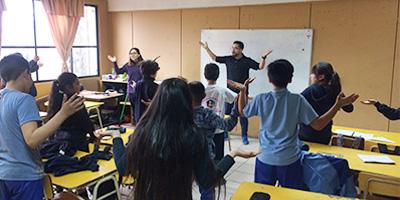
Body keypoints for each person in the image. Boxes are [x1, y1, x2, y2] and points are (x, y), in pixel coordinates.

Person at [102, 78, 259, 200]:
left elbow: (123, 167)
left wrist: (116, 137)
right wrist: (233, 154)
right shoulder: (194, 136)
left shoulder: (143, 131)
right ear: (187, 102)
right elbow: (207, 180)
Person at [238, 59, 359, 190]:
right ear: (290, 79)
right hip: (290, 160)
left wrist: (242, 91)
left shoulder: (261, 98)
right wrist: (337, 106)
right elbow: (318, 125)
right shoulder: (297, 100)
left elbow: (243, 112)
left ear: (269, 79)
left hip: (265, 158)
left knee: (262, 194)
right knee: (292, 195)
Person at [0, 53, 84, 199]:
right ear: (26, 74)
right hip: (24, 175)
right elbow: (32, 139)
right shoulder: (24, 99)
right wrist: (63, 113)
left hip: (3, 174)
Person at [200, 40, 272, 145]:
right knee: (225, 113)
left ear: (241, 50)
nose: (233, 50)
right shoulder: (228, 59)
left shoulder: (247, 61)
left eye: (236, 48)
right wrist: (207, 48)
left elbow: (260, 67)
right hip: (229, 93)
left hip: (242, 94)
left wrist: (263, 58)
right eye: (232, 47)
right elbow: (215, 58)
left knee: (243, 115)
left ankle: (244, 136)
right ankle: (224, 132)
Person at [189, 81, 239, 200]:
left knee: (184, 187)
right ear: (203, 96)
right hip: (206, 156)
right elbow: (228, 125)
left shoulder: (182, 114)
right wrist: (236, 110)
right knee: (207, 188)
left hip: (186, 156)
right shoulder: (207, 114)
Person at [298, 62, 354, 144]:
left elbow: (296, 104)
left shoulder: (310, 90)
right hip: (324, 136)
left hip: (306, 136)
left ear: (321, 77)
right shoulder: (335, 91)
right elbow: (349, 109)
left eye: (312, 74)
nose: (310, 76)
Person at [45, 72, 98, 152]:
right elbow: (85, 122)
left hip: (58, 141)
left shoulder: (56, 99)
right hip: (76, 142)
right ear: (68, 87)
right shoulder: (75, 101)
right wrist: (93, 136)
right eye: (77, 83)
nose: (80, 85)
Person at [201, 63, 236, 160]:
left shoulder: (201, 90)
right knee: (218, 157)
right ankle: (217, 174)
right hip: (219, 128)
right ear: (218, 75)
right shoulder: (222, 90)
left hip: (203, 129)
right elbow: (236, 98)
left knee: (204, 156)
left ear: (204, 75)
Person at [107, 48, 144, 124]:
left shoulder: (142, 65)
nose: (132, 55)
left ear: (139, 54)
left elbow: (145, 76)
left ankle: (140, 127)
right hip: (130, 91)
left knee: (139, 111)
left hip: (140, 90)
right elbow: (118, 71)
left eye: (134, 53)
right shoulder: (128, 65)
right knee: (133, 110)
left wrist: (137, 84)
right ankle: (135, 127)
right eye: (131, 53)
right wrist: (114, 62)